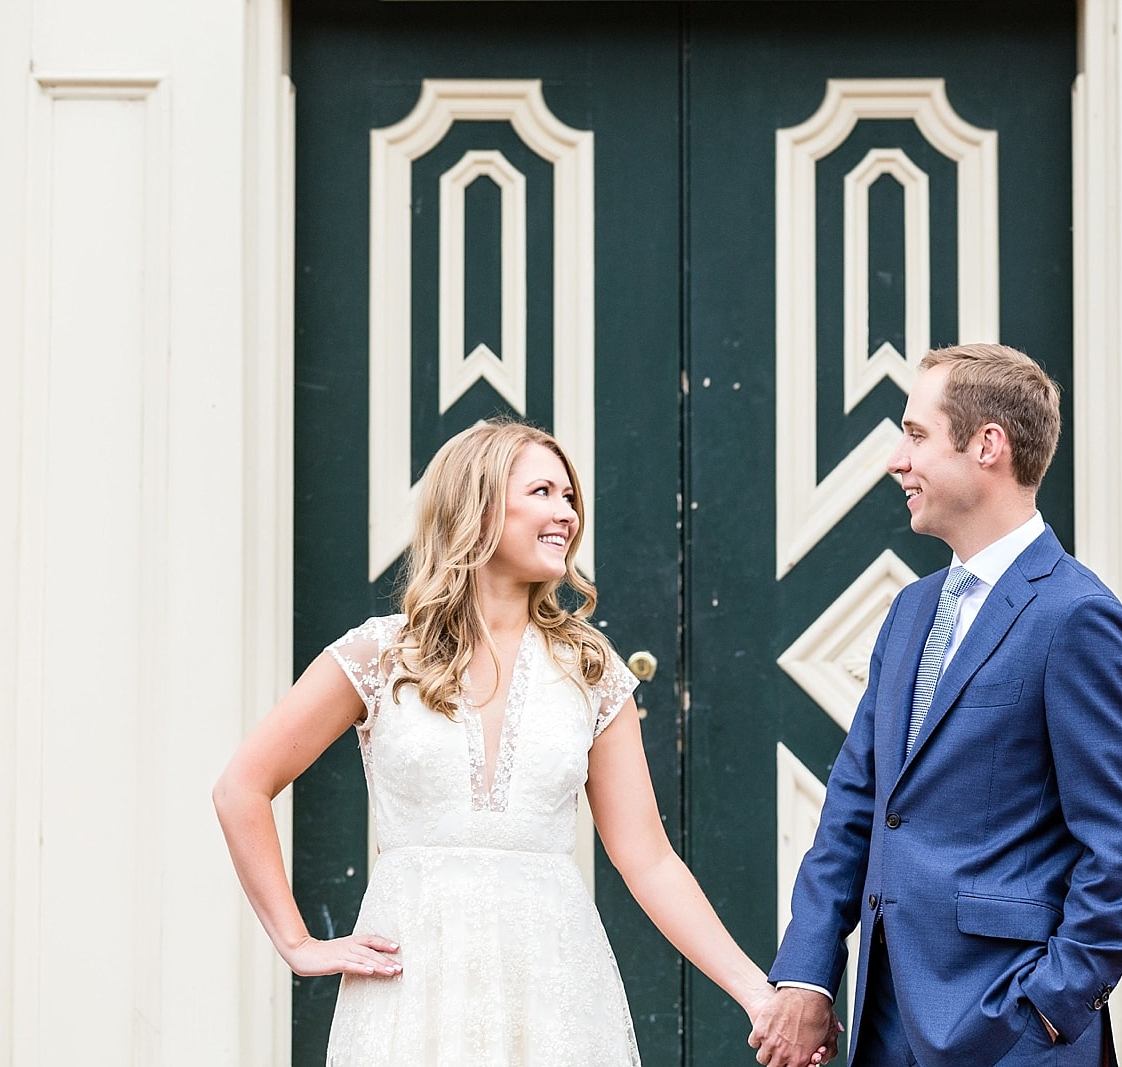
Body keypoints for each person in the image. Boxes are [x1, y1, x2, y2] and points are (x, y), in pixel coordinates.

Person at [215, 419, 822, 1065]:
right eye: (543, 492)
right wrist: (298, 942)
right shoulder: (382, 653)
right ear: (477, 506)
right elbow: (241, 787)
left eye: (569, 497)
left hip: (552, 983)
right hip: (412, 981)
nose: (565, 512)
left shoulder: (590, 668)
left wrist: (759, 996)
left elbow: (648, 858)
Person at [751, 345, 1122, 1067]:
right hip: (885, 1028)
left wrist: (1049, 1009)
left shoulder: (1076, 617)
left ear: (988, 445)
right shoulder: (911, 612)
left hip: (1013, 1032)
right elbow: (857, 802)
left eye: (915, 434)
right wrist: (810, 971)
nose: (895, 460)